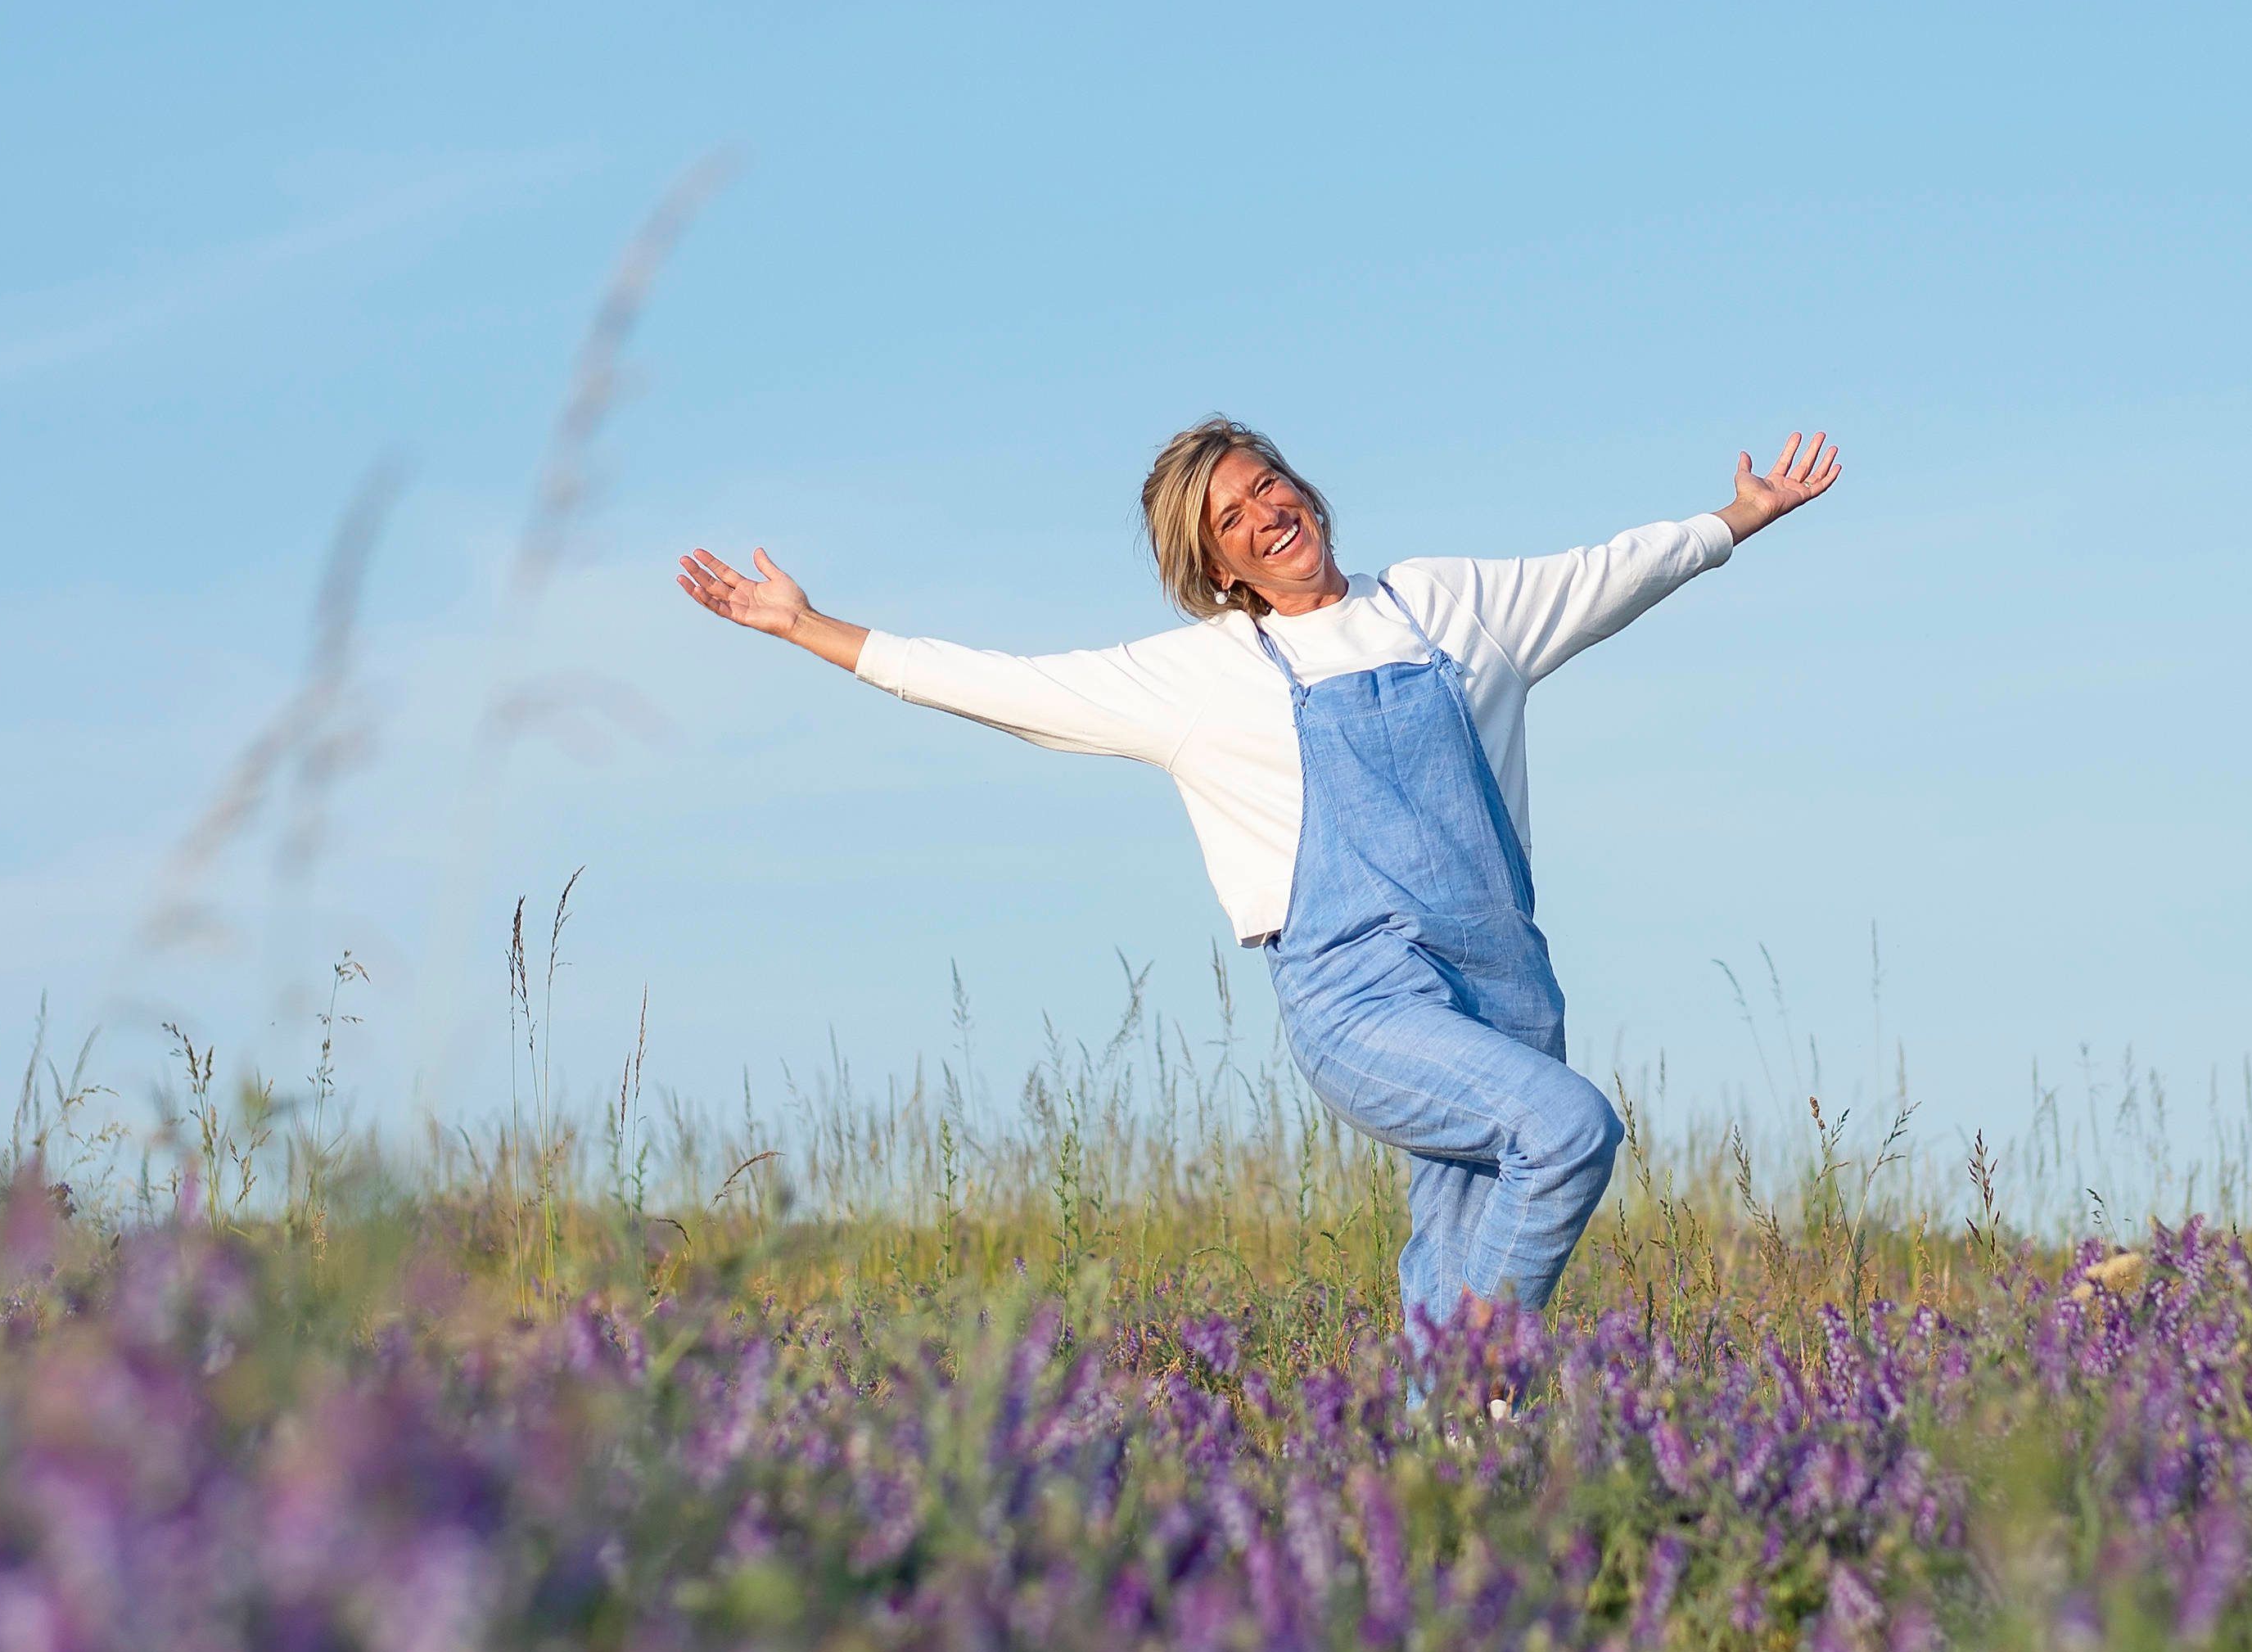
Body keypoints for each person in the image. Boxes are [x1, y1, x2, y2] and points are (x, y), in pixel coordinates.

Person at [676, 421, 1840, 1329]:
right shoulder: (1202, 677)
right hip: (1362, 1001)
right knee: (1568, 1132)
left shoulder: (1448, 604)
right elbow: (1004, 684)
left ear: (1303, 489)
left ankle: (1445, 1487)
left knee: (1451, 1271)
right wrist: (811, 627)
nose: (1264, 516)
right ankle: (1483, 1382)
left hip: (1508, 992)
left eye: (1266, 487)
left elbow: (1610, 572)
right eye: (1229, 519)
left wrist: (1739, 518)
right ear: (1213, 564)